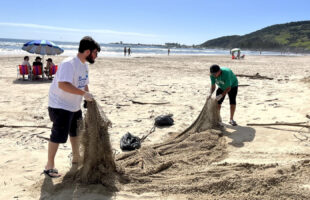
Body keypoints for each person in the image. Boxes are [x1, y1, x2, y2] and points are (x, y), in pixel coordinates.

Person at [44, 36, 100, 178]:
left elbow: (84, 82)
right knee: (58, 135)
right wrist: (83, 93)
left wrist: (87, 95)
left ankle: (76, 158)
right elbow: (63, 84)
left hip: (74, 106)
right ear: (88, 52)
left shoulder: (84, 65)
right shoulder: (69, 64)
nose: (96, 56)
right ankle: (49, 166)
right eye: (95, 53)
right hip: (60, 105)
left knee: (76, 133)